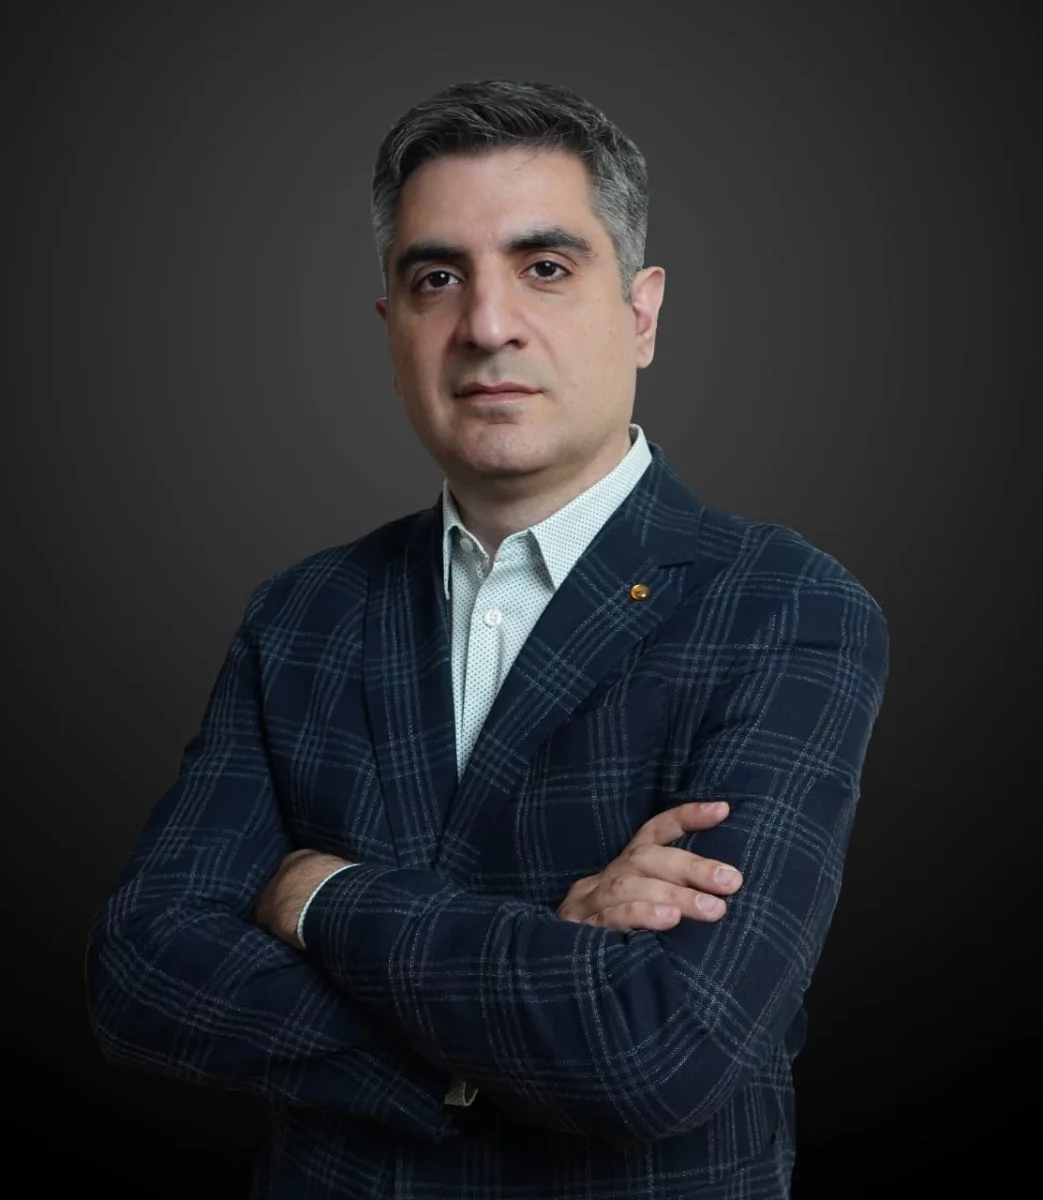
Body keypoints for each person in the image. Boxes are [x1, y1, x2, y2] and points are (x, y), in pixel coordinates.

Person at [86, 78, 889, 1199]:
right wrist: (486, 1031)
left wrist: (314, 894)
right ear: (392, 330)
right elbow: (143, 973)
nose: (486, 325)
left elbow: (660, 1045)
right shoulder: (302, 614)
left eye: (544, 267)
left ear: (642, 314)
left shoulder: (784, 606)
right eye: (436, 278)